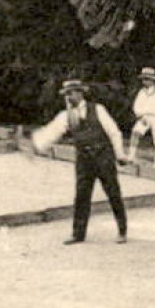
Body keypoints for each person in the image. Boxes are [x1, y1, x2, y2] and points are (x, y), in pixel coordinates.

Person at [29, 78, 129, 245]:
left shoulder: (98, 109)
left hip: (103, 156)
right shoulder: (66, 115)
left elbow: (114, 133)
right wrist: (37, 145)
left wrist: (119, 154)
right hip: (83, 159)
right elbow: (52, 132)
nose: (68, 97)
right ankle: (78, 234)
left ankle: (122, 230)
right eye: (66, 94)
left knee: (113, 193)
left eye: (70, 93)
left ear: (80, 93)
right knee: (82, 195)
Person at [125, 66, 155, 166]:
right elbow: (137, 105)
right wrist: (140, 116)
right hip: (145, 117)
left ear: (153, 80)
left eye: (146, 79)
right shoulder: (142, 92)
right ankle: (131, 156)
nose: (144, 81)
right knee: (135, 133)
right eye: (143, 79)